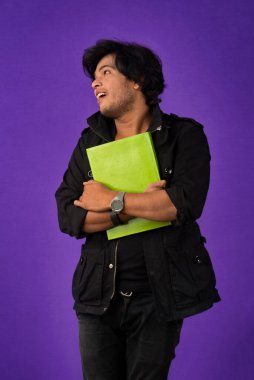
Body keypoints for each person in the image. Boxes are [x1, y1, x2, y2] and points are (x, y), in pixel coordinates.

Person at [55, 40, 221, 380]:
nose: (94, 83)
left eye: (105, 72)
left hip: (159, 297)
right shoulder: (89, 143)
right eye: (93, 77)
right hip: (96, 296)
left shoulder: (184, 136)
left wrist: (109, 198)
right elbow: (69, 216)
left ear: (137, 80)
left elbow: (183, 204)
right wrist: (130, 207)